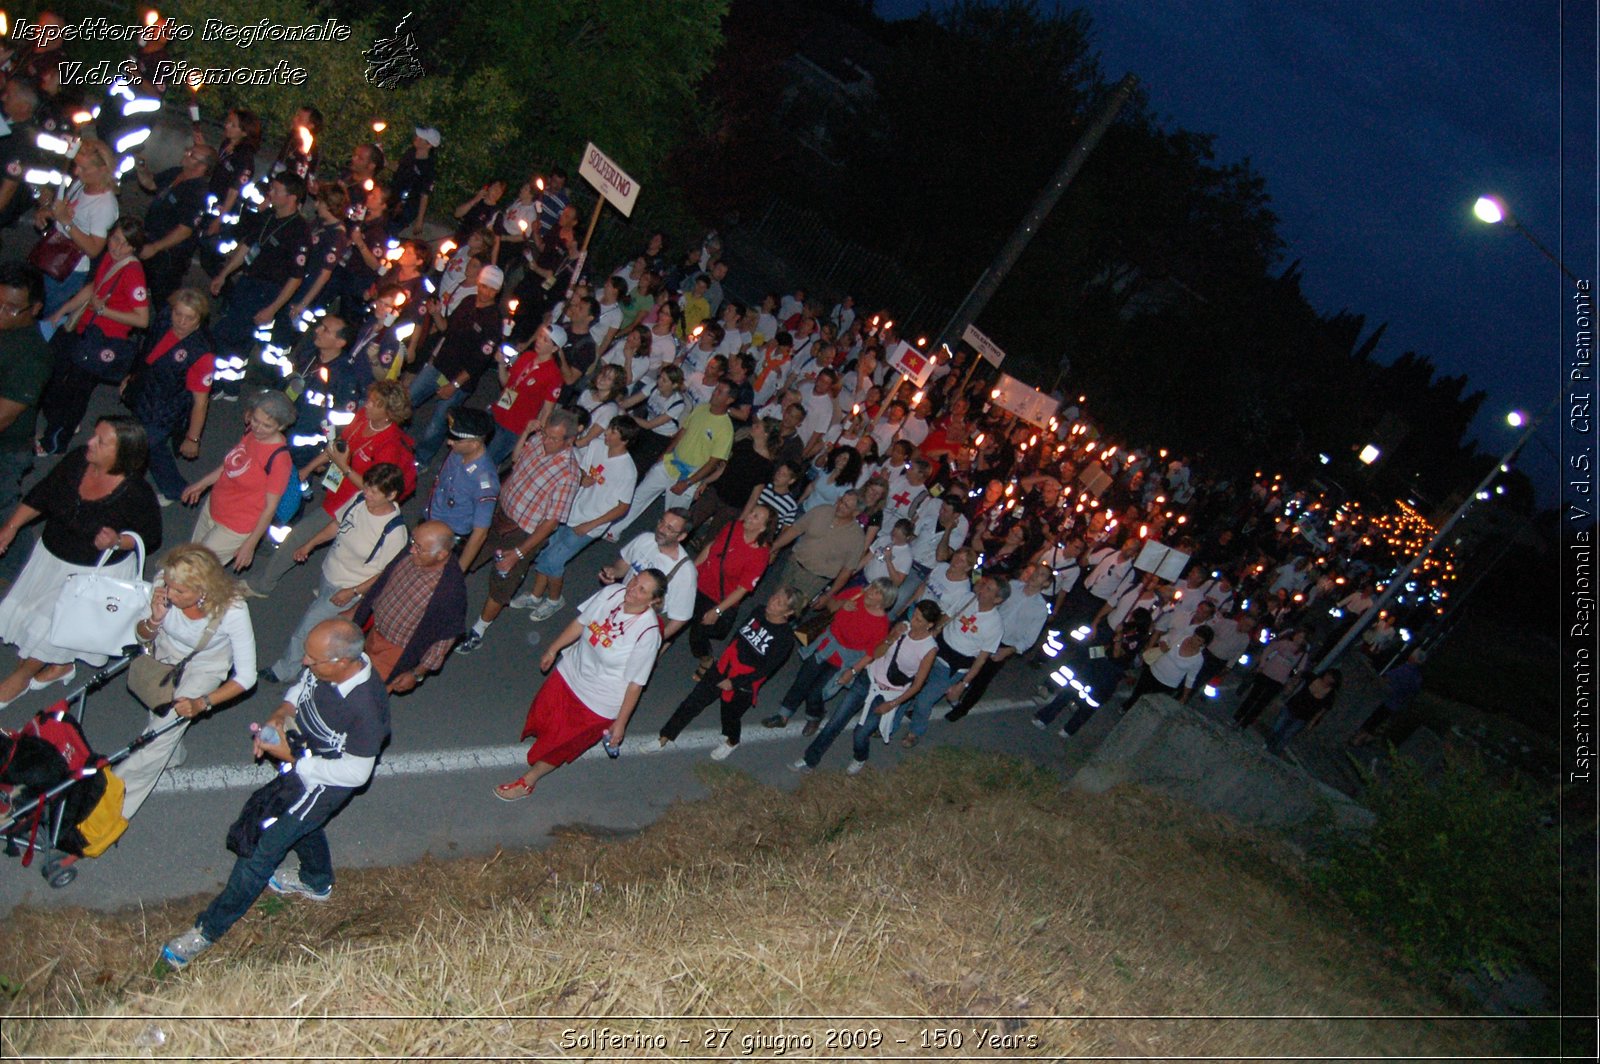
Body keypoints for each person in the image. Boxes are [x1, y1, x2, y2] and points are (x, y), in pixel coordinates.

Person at [159, 619, 390, 970]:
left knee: (261, 851)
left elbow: (356, 775)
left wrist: (294, 759)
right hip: (301, 759)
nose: (305, 664)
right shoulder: (328, 669)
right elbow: (302, 688)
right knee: (303, 826)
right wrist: (280, 715)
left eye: (313, 659)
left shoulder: (367, 709)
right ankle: (316, 881)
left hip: (321, 784)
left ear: (343, 662)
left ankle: (207, 930)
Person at [0, 416, 162, 705]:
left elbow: (149, 536)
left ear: (122, 454)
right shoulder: (78, 461)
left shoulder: (136, 493)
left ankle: (21, 676)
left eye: (101, 442)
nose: (90, 443)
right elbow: (43, 493)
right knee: (33, 612)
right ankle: (61, 664)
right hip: (52, 558)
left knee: (46, 625)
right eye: (94, 436)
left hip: (89, 574)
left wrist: (117, 540)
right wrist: (10, 527)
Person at [493, 568, 665, 801]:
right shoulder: (613, 592)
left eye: (642, 590)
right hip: (571, 671)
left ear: (654, 600)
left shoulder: (647, 634)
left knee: (559, 744)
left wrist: (620, 723)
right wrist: (553, 649)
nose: (633, 589)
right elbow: (581, 623)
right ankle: (543, 745)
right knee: (543, 716)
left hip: (597, 701)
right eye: (634, 581)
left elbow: (635, 684)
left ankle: (528, 782)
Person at [117, 544, 258, 819]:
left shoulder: (233, 610)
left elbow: (247, 676)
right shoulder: (165, 582)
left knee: (156, 738)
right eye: (168, 585)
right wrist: (155, 619)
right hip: (166, 657)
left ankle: (112, 800)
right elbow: (142, 635)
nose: (169, 593)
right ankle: (173, 753)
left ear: (203, 589)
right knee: (161, 719)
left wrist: (201, 702)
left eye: (179, 591)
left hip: (205, 666)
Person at [255, 379, 414, 593]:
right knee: (338, 539)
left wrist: (343, 466)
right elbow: (339, 444)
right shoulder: (362, 419)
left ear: (388, 413)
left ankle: (264, 584)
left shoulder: (389, 446)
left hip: (351, 501)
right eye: (369, 399)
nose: (366, 405)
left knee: (298, 536)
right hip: (337, 489)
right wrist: (309, 468)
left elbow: (376, 489)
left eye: (374, 403)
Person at [262, 463, 409, 682]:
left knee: (308, 625)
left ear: (391, 495)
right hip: (330, 573)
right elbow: (337, 525)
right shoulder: (360, 500)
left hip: (347, 588)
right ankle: (324, 661)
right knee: (323, 624)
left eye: (373, 491)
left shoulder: (394, 532)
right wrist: (309, 545)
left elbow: (385, 574)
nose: (366, 492)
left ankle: (285, 671)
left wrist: (353, 592)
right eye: (367, 486)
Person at [457, 408, 579, 649]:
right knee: (465, 556)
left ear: (570, 441)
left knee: (502, 584)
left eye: (554, 439)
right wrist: (527, 432)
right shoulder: (537, 441)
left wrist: (519, 553)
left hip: (521, 534)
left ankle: (479, 629)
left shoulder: (568, 474)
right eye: (545, 434)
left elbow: (551, 522)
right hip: (498, 513)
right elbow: (516, 459)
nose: (546, 441)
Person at [36, 217, 151, 454]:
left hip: (102, 340)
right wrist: (62, 311)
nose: (118, 248)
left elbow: (142, 318)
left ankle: (55, 441)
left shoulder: (132, 273)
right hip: (84, 329)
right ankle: (62, 424)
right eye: (115, 240)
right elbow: (94, 288)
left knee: (76, 392)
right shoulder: (109, 258)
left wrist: (103, 310)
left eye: (126, 245)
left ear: (134, 249)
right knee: (55, 378)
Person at [511, 415, 639, 621]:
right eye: (610, 428)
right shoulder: (597, 446)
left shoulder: (627, 471)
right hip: (568, 510)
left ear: (625, 440)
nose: (606, 433)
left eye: (613, 432)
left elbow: (622, 507)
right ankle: (535, 596)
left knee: (553, 561)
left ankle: (554, 600)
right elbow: (576, 464)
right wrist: (581, 476)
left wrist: (590, 525)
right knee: (544, 553)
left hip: (587, 524)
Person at [792, 599, 941, 774]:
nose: (913, 621)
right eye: (914, 615)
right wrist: (891, 638)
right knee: (836, 721)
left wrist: (892, 705)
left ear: (929, 625)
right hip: (869, 678)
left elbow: (917, 685)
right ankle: (810, 759)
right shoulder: (903, 627)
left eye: (919, 620)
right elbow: (877, 653)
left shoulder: (929, 649)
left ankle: (860, 756)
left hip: (888, 693)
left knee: (861, 734)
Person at [655, 586, 801, 761]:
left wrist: (734, 682)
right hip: (725, 666)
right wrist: (724, 661)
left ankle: (732, 741)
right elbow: (738, 635)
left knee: (730, 717)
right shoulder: (759, 611)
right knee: (693, 702)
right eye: (774, 596)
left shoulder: (784, 638)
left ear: (789, 612)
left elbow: (765, 670)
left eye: (780, 603)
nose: (772, 602)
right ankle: (664, 736)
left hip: (743, 683)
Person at [180, 390, 295, 571]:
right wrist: (202, 484)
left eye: (267, 426)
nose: (257, 427)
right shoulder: (251, 433)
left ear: (280, 427)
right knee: (190, 557)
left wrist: (250, 544)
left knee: (196, 571)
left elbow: (270, 508)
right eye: (255, 420)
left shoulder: (279, 459)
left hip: (236, 526)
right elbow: (231, 466)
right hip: (215, 507)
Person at [763, 578, 894, 734]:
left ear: (884, 601)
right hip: (826, 645)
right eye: (872, 586)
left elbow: (872, 653)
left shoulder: (881, 624)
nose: (870, 591)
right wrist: (842, 604)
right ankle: (783, 715)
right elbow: (831, 604)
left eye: (876, 592)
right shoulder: (857, 593)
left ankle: (814, 716)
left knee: (817, 693)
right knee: (802, 680)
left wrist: (852, 671)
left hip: (844, 659)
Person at [608, 381, 735, 539]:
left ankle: (662, 549)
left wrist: (688, 482)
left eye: (720, 391)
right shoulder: (701, 408)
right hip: (671, 462)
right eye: (715, 389)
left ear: (729, 400)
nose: (714, 393)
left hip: (688, 476)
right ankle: (613, 531)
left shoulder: (726, 429)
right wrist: (664, 455)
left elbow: (713, 462)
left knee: (675, 519)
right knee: (639, 495)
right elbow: (682, 433)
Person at [891, 573, 1007, 747]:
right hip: (936, 651)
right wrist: (933, 632)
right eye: (984, 585)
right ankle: (890, 726)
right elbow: (949, 616)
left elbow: (981, 659)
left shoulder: (995, 625)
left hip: (953, 667)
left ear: (997, 599)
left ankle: (915, 731)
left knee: (924, 700)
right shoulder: (968, 598)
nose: (982, 589)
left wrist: (963, 684)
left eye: (989, 589)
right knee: (910, 687)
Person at [123, 288, 216, 505]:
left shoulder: (201, 353)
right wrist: (131, 378)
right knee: (154, 450)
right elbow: (146, 355)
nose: (181, 322)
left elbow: (200, 403)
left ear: (199, 320)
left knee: (136, 448)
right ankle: (175, 489)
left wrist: (193, 438)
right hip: (145, 397)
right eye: (178, 314)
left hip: (165, 411)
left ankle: (121, 490)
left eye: (189, 318)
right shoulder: (165, 322)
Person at [351, 521, 467, 694]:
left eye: (419, 548)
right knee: (351, 676)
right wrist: (359, 608)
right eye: (413, 542)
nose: (412, 549)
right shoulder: (412, 553)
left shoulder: (450, 591)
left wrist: (417, 673)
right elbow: (384, 581)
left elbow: (444, 639)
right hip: (375, 634)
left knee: (364, 694)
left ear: (441, 555)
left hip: (396, 652)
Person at [31, 136, 119, 328]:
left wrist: (67, 223)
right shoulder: (82, 183)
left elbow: (95, 249)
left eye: (84, 168)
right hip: (52, 252)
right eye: (76, 165)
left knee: (43, 312)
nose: (77, 172)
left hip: (68, 269)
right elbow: (67, 209)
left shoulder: (104, 205)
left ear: (103, 169)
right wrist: (49, 213)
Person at [686, 505, 776, 676]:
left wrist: (718, 610)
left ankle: (706, 659)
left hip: (716, 598)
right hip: (699, 582)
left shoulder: (760, 555)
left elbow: (743, 590)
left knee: (697, 635)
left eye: (756, 516)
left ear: (763, 528)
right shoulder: (733, 527)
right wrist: (691, 569)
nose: (749, 516)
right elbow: (712, 547)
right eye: (751, 512)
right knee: (677, 616)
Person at [0, 265, 52, 544]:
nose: (0, 313)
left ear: (34, 309)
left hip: (6, 452)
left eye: (10, 308)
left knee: (5, 520)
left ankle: (19, 572)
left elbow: (3, 417)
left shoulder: (32, 357)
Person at [769, 491, 867, 605]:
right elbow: (795, 529)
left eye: (846, 506)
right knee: (775, 599)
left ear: (856, 512)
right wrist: (773, 548)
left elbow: (847, 570)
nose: (840, 506)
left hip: (814, 580)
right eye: (841, 500)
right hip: (794, 564)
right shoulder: (822, 510)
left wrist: (829, 595)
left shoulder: (857, 537)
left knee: (790, 608)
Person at [1233, 627, 1310, 730]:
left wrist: (1292, 682)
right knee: (1253, 696)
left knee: (1263, 702)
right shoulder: (1284, 643)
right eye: (1298, 635)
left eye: (1302, 638)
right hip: (1266, 672)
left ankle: (1245, 723)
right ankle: (1238, 717)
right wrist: (1262, 664)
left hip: (1279, 680)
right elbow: (1269, 649)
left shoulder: (1302, 654)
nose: (1298, 639)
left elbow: (1300, 669)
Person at [1122, 626, 1213, 710]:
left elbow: (1190, 678)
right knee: (1137, 693)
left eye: (1198, 640)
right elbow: (1165, 637)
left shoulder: (1197, 660)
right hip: (1153, 671)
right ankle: (1126, 708)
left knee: (1151, 705)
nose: (1193, 640)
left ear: (1203, 644)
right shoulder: (1182, 637)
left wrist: (1184, 697)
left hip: (1167, 684)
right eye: (1194, 636)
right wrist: (1163, 643)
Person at [1351, 650, 1424, 747]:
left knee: (1369, 719)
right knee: (1376, 722)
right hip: (1394, 704)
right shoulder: (1417, 678)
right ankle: (1362, 739)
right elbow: (1412, 694)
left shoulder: (1405, 669)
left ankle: (1357, 739)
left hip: (1384, 698)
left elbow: (1388, 678)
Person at [1266, 669, 1343, 756]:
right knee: (1277, 727)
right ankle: (1269, 742)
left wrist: (1312, 722)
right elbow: (1300, 673)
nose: (1328, 678)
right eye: (1328, 675)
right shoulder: (1312, 677)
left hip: (1304, 716)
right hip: (1292, 706)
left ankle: (1275, 749)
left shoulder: (1330, 694)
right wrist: (1292, 684)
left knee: (1288, 734)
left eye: (1332, 677)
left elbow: (1322, 710)